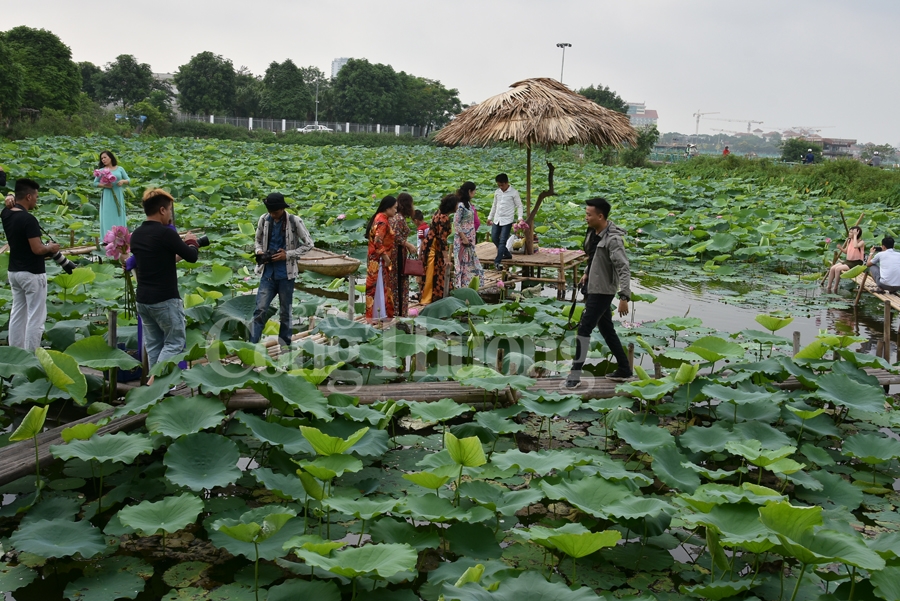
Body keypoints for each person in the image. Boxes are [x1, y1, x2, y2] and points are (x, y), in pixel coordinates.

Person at [566, 197, 633, 387]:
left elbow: (623, 268)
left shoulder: (613, 239)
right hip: (593, 285)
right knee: (606, 329)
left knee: (584, 328)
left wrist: (624, 296)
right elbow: (594, 257)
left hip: (603, 290)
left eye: (589, 215)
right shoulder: (594, 233)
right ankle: (624, 368)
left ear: (600, 216)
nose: (586, 217)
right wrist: (587, 273)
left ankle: (575, 375)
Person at [131, 188, 200, 370]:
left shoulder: (136, 235)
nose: (170, 214)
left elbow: (160, 259)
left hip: (143, 300)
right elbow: (192, 256)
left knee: (154, 346)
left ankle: (156, 384)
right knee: (175, 343)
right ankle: (153, 381)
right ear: (162, 210)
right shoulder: (165, 233)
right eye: (169, 210)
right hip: (165, 300)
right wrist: (191, 241)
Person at [1, 179, 59, 351]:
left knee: (17, 314)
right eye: (36, 196)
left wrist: (9, 197)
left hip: (14, 272)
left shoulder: (6, 213)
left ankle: (16, 353)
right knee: (36, 318)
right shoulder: (28, 219)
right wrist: (50, 248)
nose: (36, 200)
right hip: (32, 274)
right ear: (28, 196)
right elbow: (37, 249)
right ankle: (32, 355)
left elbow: (8, 201)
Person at [249, 192, 315, 347]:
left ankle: (285, 345)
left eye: (276, 212)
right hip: (267, 273)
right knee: (260, 310)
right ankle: (252, 345)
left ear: (282, 209)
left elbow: (309, 244)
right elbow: (257, 240)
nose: (273, 215)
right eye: (270, 211)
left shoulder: (294, 221)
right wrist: (259, 251)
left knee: (285, 313)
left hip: (286, 274)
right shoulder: (264, 219)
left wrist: (288, 255)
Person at [365, 195, 398, 322]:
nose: (396, 211)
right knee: (379, 287)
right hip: (379, 259)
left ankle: (377, 315)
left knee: (377, 287)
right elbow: (378, 242)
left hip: (374, 257)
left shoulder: (379, 217)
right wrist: (386, 258)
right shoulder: (382, 222)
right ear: (387, 208)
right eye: (394, 208)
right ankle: (379, 315)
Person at [421, 194, 457, 305]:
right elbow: (442, 239)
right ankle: (427, 298)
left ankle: (431, 296)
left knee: (432, 271)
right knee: (432, 271)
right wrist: (446, 257)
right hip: (434, 247)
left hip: (429, 244)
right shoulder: (444, 218)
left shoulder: (438, 212)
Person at [389, 192, 417, 317]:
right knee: (399, 281)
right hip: (398, 254)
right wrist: (409, 245)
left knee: (395, 281)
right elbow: (396, 236)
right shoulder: (399, 219)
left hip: (395, 253)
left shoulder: (395, 217)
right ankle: (399, 310)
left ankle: (395, 309)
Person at [488, 173, 524, 271]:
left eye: (502, 185)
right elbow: (494, 205)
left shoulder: (514, 193)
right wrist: (490, 217)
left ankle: (497, 261)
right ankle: (507, 254)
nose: (501, 187)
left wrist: (520, 217)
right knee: (494, 238)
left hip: (507, 220)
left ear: (507, 182)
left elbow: (519, 206)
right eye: (499, 185)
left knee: (503, 241)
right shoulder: (497, 192)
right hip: (497, 219)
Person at [93, 150, 130, 240]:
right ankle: (108, 238)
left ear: (110, 157)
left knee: (119, 214)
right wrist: (105, 185)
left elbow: (128, 180)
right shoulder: (101, 171)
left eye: (105, 157)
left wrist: (122, 181)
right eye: (102, 158)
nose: (103, 160)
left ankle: (121, 237)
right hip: (107, 195)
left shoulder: (120, 169)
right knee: (108, 215)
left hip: (118, 194)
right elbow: (95, 183)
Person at [453, 182, 484, 288]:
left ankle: (468, 286)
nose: (475, 192)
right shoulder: (461, 205)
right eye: (474, 190)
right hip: (463, 240)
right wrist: (464, 237)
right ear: (469, 191)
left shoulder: (469, 205)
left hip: (470, 240)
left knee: (470, 264)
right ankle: (460, 286)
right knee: (462, 264)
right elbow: (456, 223)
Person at [824, 226, 865, 293]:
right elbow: (846, 251)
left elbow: (855, 246)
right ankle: (829, 286)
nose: (849, 233)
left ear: (857, 233)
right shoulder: (849, 240)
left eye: (852, 232)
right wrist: (840, 248)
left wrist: (855, 236)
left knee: (838, 269)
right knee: (832, 268)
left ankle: (835, 287)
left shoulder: (861, 242)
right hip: (848, 261)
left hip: (857, 263)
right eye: (850, 232)